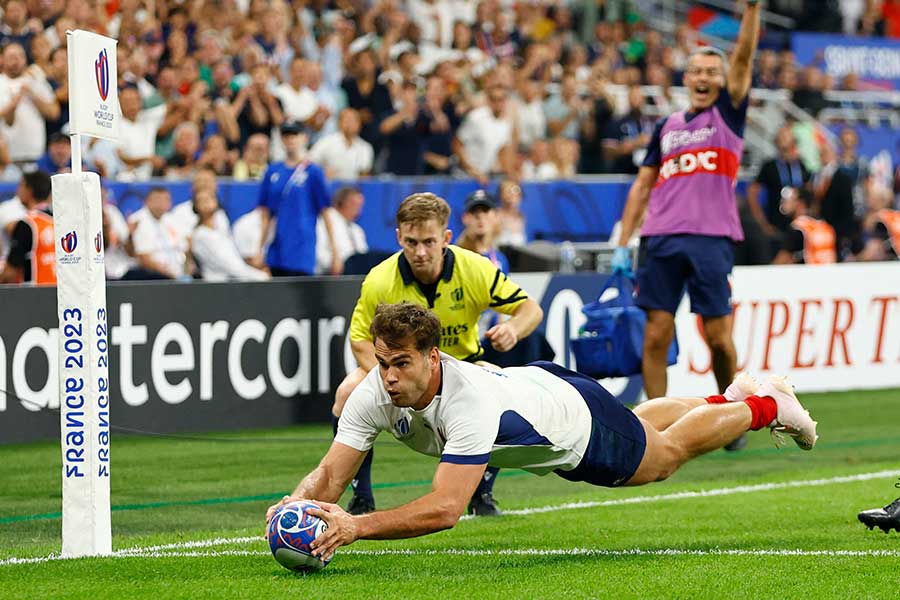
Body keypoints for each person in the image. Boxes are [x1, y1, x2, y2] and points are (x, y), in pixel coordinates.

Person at [266, 302, 818, 560]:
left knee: (661, 457)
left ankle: (768, 405)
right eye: (383, 362)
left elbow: (444, 508)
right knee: (640, 424)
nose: (388, 377)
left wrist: (355, 528)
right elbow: (331, 475)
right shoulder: (374, 390)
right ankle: (731, 397)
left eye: (401, 364)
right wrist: (295, 504)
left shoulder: (467, 402)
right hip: (538, 386)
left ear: (432, 358)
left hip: (568, 423)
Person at [332, 192, 544, 517]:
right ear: (399, 237)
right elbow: (359, 338)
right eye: (412, 242)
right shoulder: (379, 279)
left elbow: (530, 309)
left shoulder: (475, 268)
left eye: (429, 242)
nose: (420, 252)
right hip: (402, 369)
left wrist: (513, 329)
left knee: (500, 390)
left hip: (463, 367)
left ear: (446, 237)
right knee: (347, 392)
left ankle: (483, 493)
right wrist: (388, 374)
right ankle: (361, 497)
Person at [612, 2, 761, 451]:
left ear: (722, 81)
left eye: (711, 73)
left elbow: (743, 58)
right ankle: (659, 428)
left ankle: (728, 414)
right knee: (655, 334)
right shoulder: (667, 126)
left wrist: (752, 9)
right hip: (659, 239)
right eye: (695, 71)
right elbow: (642, 186)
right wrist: (624, 241)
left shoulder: (728, 115)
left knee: (718, 339)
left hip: (711, 239)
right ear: (686, 77)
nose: (702, 78)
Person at [256, 121, 340, 277]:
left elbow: (326, 212)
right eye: (286, 135)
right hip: (277, 245)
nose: (290, 139)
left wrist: (335, 252)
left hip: (302, 247)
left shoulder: (313, 172)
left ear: (304, 138)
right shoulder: (272, 171)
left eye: (295, 134)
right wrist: (259, 249)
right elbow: (266, 214)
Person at [191, 189, 270, 282]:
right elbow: (230, 266)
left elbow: (236, 261)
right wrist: (261, 276)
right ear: (196, 207)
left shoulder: (221, 227)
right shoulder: (201, 235)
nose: (207, 202)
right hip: (217, 285)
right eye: (202, 200)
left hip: (232, 281)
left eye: (210, 198)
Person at [0, 170, 54, 285]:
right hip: (62, 293)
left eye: (21, 185)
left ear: (29, 190)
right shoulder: (60, 220)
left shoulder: (27, 224)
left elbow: (10, 273)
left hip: (32, 295)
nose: (17, 191)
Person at [315, 186, 368, 275]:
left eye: (360, 206)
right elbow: (319, 254)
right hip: (330, 276)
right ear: (342, 203)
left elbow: (363, 257)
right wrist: (339, 265)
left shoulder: (357, 230)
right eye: (354, 205)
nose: (358, 211)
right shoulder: (323, 223)